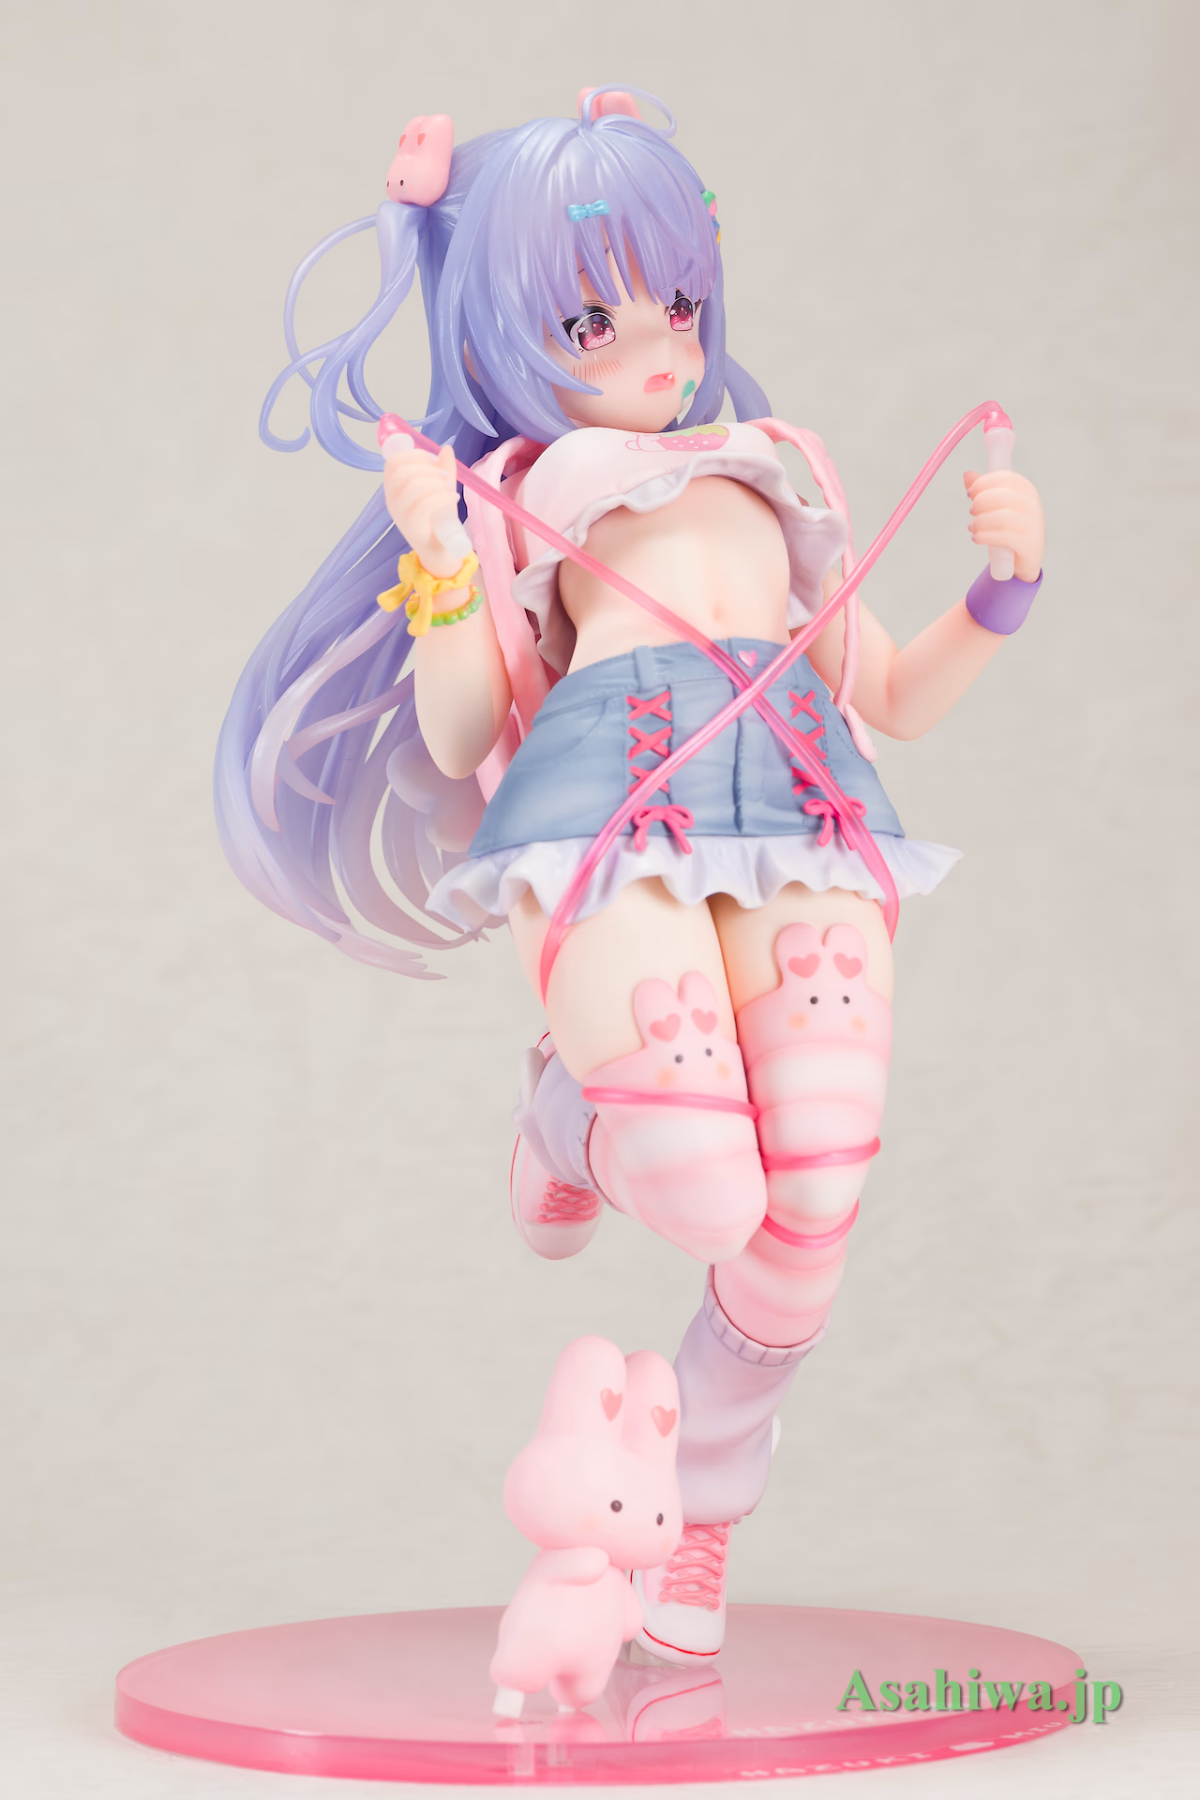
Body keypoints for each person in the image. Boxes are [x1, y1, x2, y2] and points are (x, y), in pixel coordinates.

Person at [216, 86, 1045, 1665]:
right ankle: (569, 1117)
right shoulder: (519, 489)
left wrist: (1006, 587)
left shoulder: (780, 463)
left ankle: (701, 1497)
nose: (659, 344)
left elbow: (890, 692)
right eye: (594, 319)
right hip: (608, 803)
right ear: (509, 329)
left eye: (678, 297)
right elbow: (464, 730)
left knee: (815, 1196)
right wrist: (444, 569)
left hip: (806, 801)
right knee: (711, 1191)